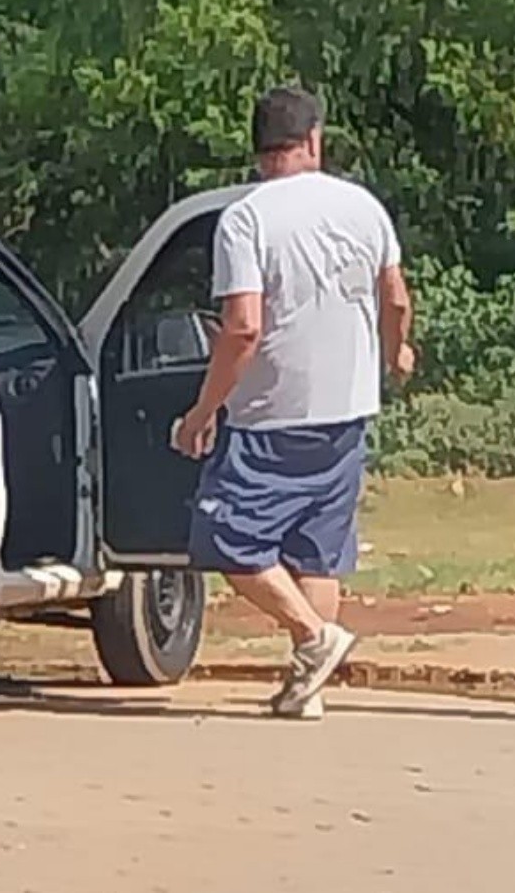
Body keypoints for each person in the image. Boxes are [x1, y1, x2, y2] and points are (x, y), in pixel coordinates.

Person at [172, 85, 415, 720]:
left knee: (226, 538)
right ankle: (310, 684)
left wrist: (203, 412)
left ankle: (313, 638)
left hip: (271, 412)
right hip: (348, 406)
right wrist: (395, 354)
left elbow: (244, 326)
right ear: (314, 141)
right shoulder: (363, 208)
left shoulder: (247, 219)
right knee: (317, 549)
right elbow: (396, 298)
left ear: (259, 150)